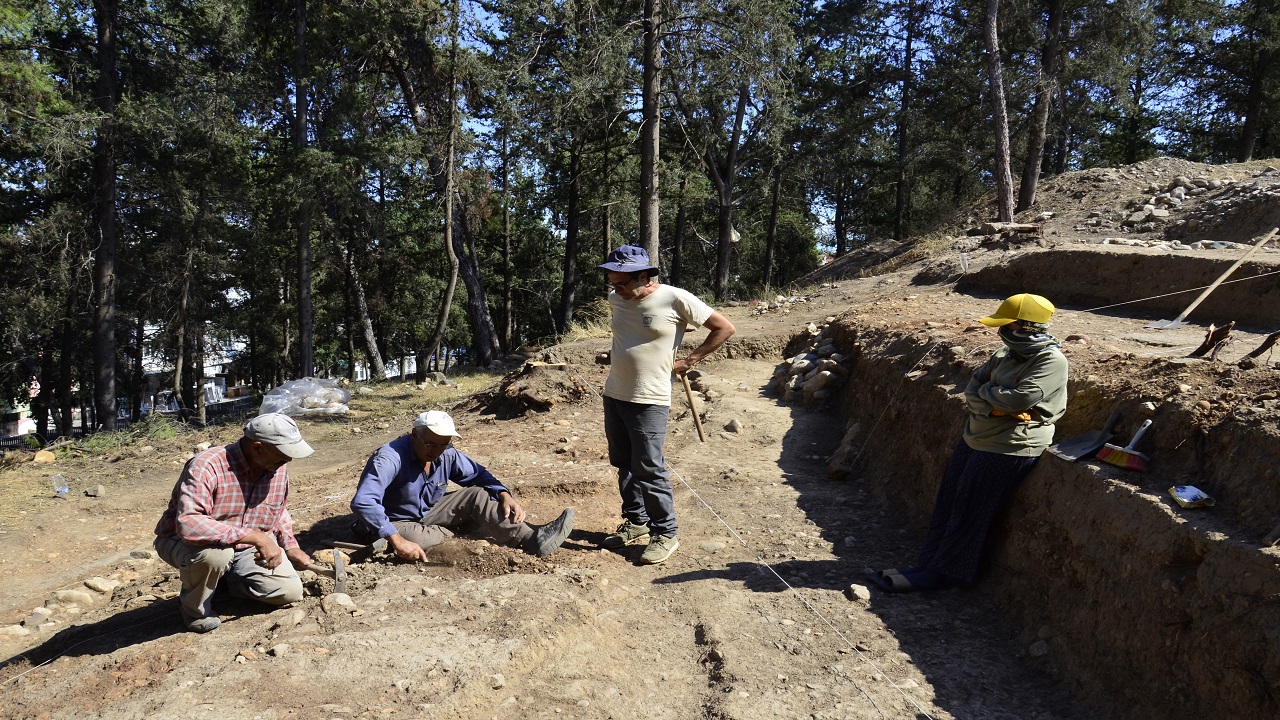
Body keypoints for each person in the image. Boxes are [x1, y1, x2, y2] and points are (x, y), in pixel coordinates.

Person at [868, 293, 1068, 592]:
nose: (1001, 330)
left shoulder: (1051, 360)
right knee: (948, 504)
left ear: (1026, 326)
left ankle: (944, 575)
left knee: (969, 511)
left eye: (1007, 325)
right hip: (975, 437)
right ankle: (926, 565)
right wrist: (996, 403)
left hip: (1009, 446)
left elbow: (1022, 398)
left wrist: (989, 397)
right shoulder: (1004, 354)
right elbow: (973, 387)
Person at [597, 245, 737, 564]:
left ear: (644, 276)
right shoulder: (616, 299)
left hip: (650, 398)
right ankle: (636, 522)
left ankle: (666, 533)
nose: (615, 290)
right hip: (615, 393)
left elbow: (725, 328)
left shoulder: (675, 298)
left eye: (621, 283)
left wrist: (690, 359)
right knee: (624, 463)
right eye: (612, 283)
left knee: (649, 466)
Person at [154, 413, 315, 633]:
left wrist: (290, 546)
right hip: (186, 542)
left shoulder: (275, 466)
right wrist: (258, 537)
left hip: (244, 547)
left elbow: (278, 510)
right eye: (282, 456)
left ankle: (221, 583)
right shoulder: (207, 465)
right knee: (216, 556)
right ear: (257, 448)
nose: (287, 462)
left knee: (287, 591)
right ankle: (194, 610)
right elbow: (189, 523)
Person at [350, 410, 575, 561]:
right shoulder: (389, 458)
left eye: (443, 445)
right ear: (414, 435)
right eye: (430, 443)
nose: (436, 451)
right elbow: (364, 501)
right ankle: (452, 531)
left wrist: (505, 494)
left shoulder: (445, 452)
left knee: (478, 495)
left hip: (429, 512)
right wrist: (396, 539)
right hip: (393, 520)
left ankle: (532, 539)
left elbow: (479, 475)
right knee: (416, 539)